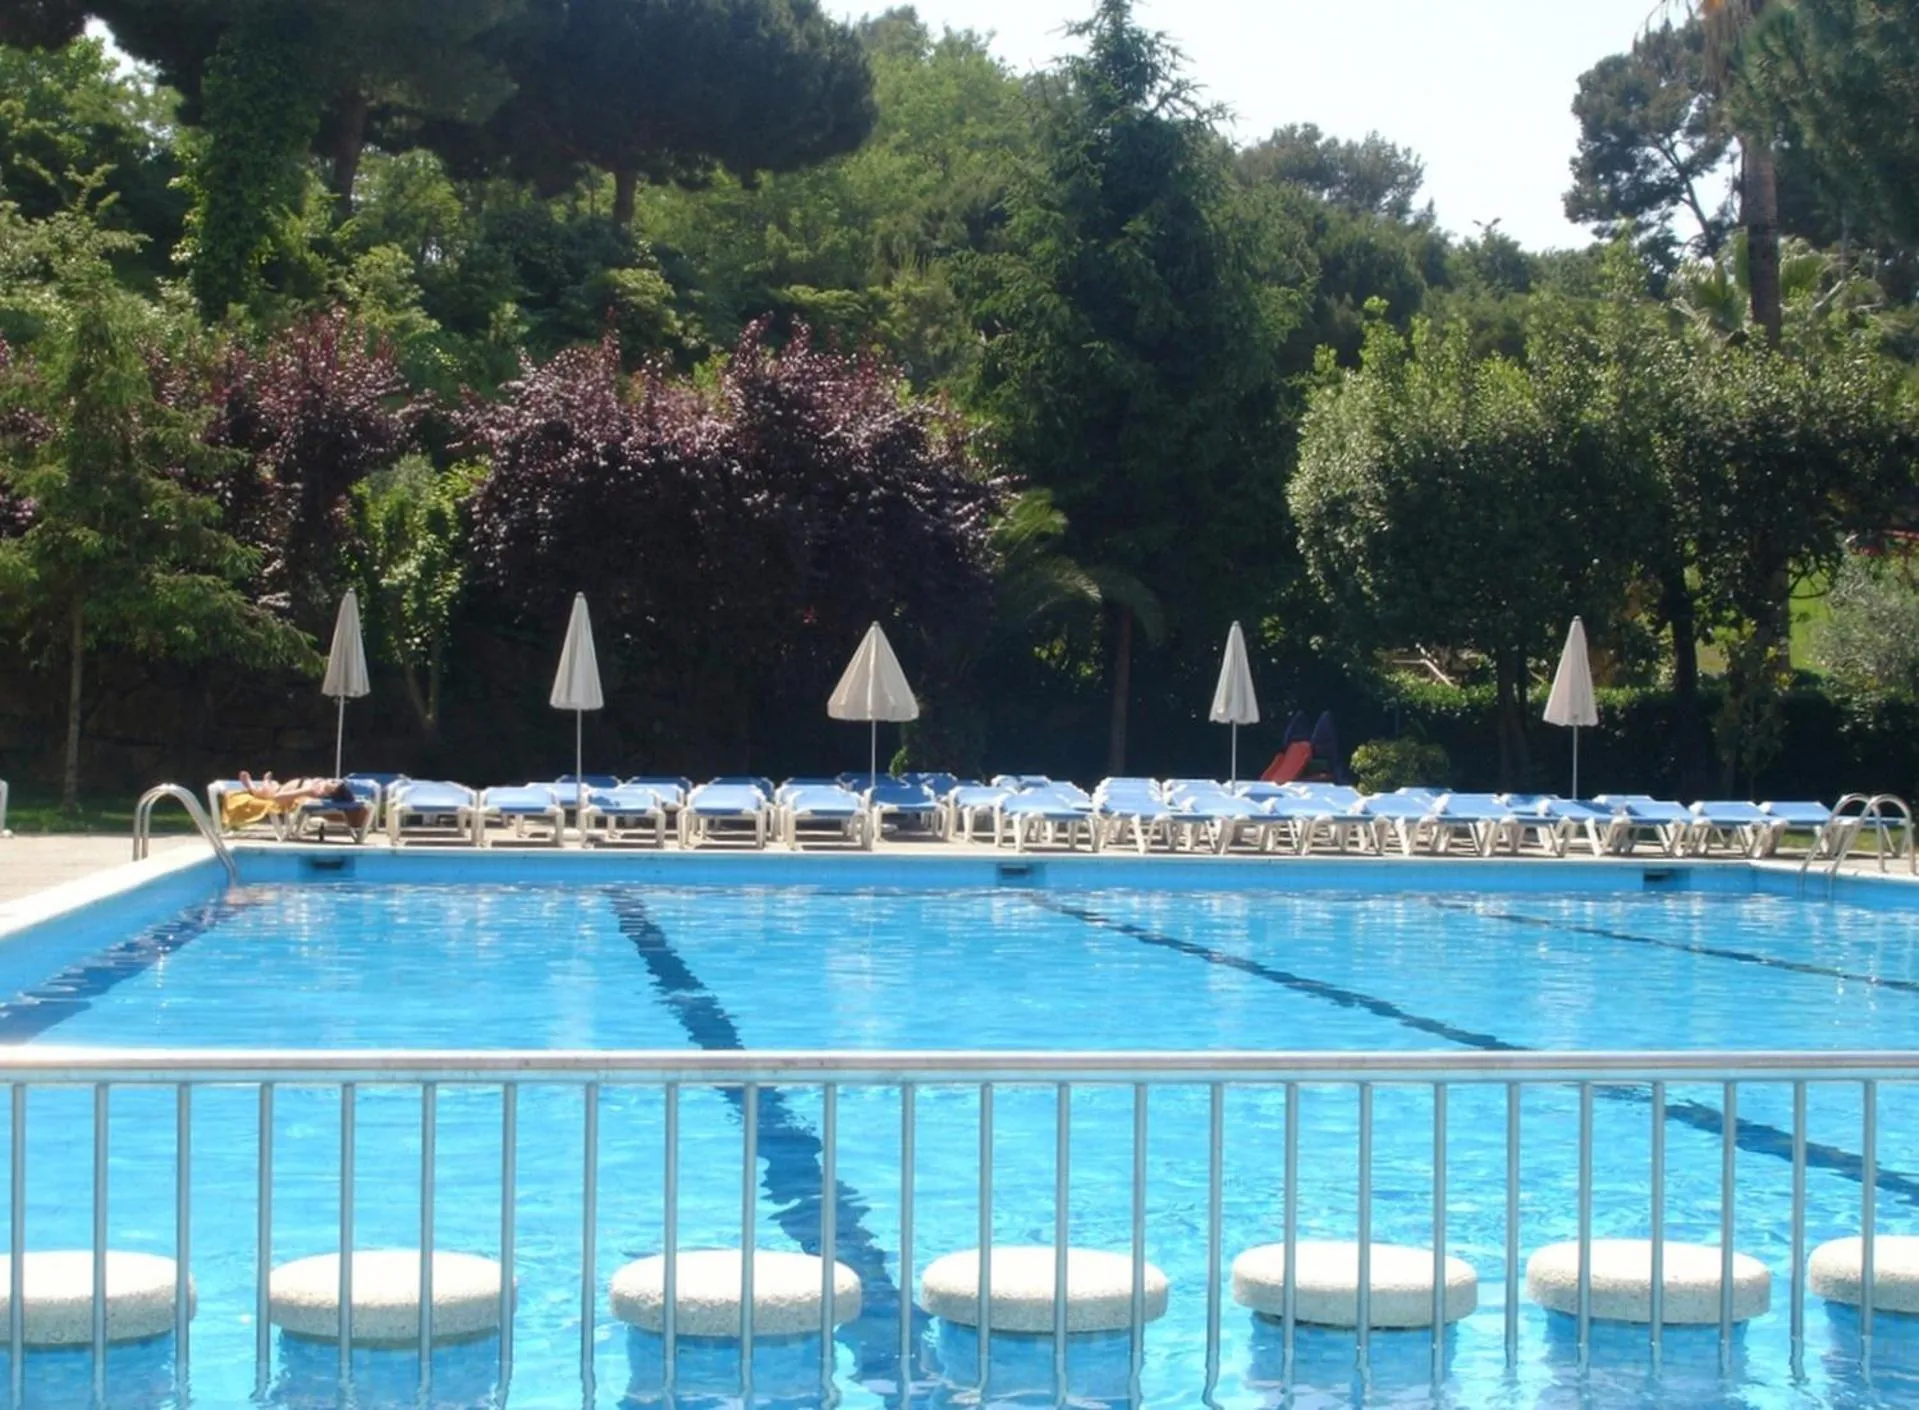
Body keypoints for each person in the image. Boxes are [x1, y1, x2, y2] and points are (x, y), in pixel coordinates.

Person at [221, 773, 368, 832]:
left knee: (269, 792)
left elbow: (278, 799)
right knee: (274, 786)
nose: (332, 781)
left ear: (334, 793)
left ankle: (252, 786)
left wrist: (306, 791)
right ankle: (263, 784)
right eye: (333, 781)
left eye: (333, 784)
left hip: (283, 794)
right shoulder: (324, 788)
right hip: (290, 786)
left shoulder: (315, 794)